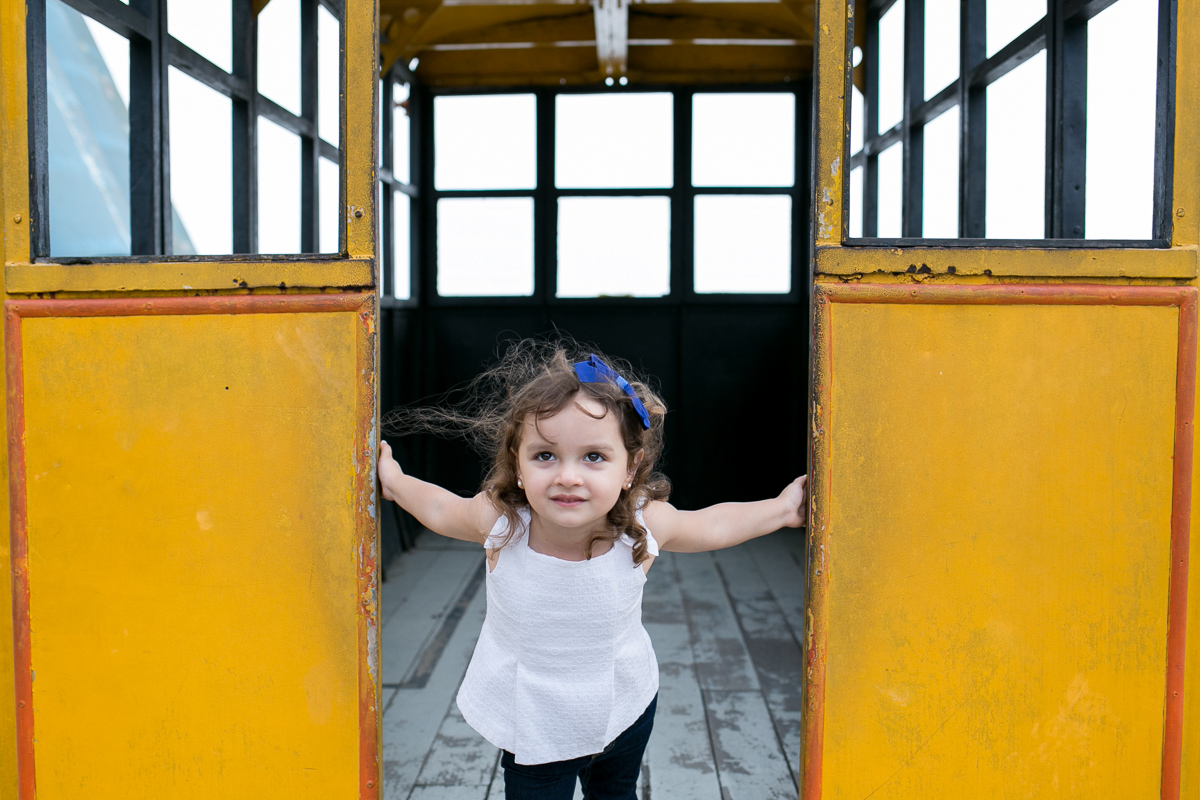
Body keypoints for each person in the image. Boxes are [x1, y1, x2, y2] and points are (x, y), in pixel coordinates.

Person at [376, 340, 807, 800]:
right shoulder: (503, 522)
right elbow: (442, 509)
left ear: (630, 467)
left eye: (594, 457)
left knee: (615, 794)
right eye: (545, 455)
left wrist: (782, 510)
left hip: (624, 704)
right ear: (517, 463)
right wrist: (396, 482)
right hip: (536, 719)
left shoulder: (641, 524)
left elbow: (713, 524)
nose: (568, 476)